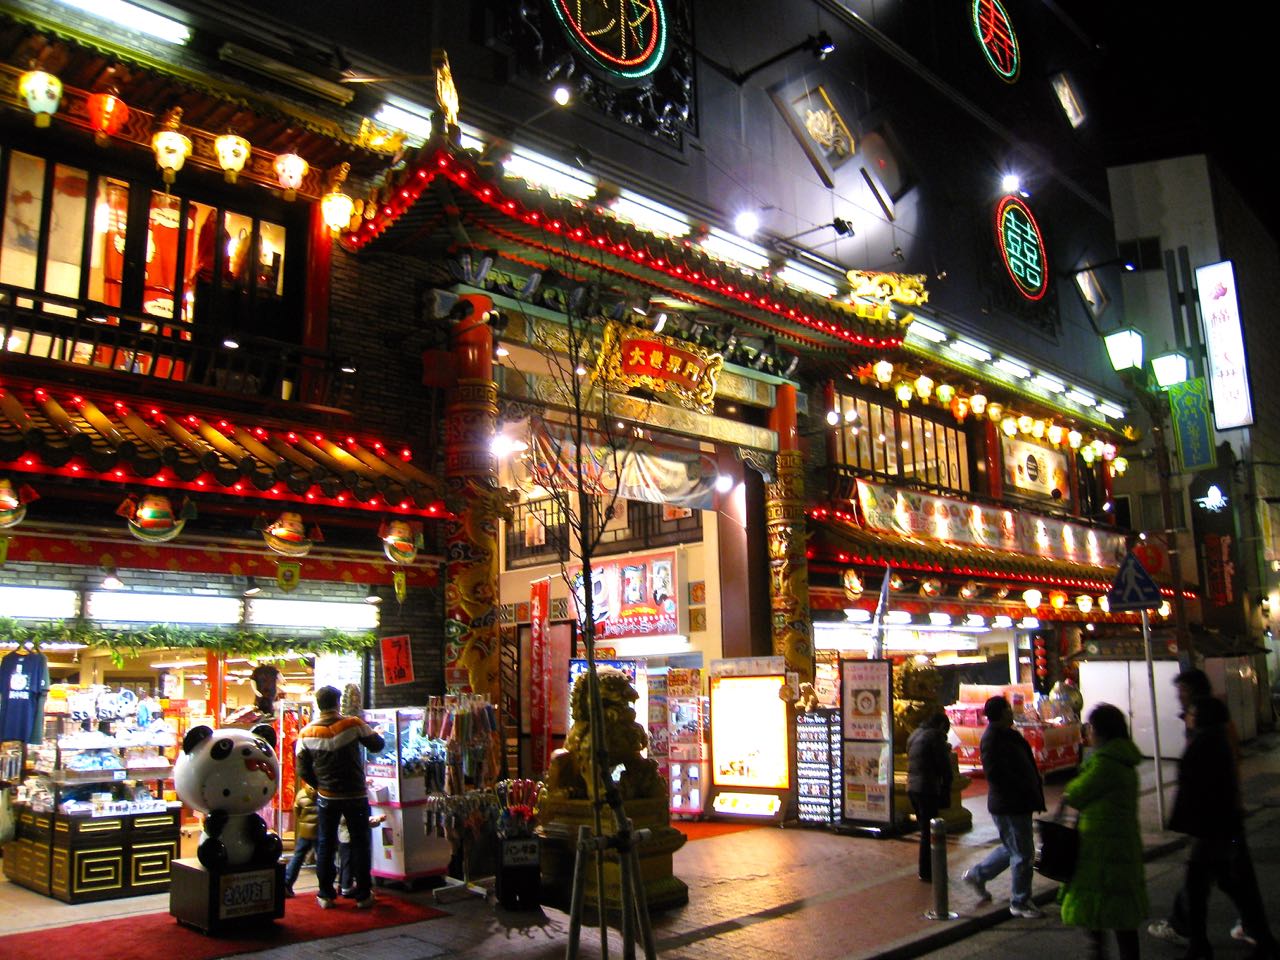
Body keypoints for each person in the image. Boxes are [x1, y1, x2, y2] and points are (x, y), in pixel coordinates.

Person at [1149, 669, 1255, 950]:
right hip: (1218, 818)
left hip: (1216, 819)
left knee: (1209, 877)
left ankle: (1194, 937)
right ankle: (1246, 929)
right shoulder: (1203, 723)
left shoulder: (1211, 724)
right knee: (1222, 876)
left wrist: (1234, 800)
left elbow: (1226, 763)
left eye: (1182, 689)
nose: (1178, 695)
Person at [1166, 696, 1277, 960]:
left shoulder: (1205, 743)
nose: (1187, 716)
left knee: (1200, 886)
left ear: (1202, 716)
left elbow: (1198, 788)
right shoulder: (1216, 740)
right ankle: (1256, 939)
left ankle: (1202, 945)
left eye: (1192, 712)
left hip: (1211, 829)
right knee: (1224, 883)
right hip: (1220, 827)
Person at [1058, 703, 1147, 960]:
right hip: (1122, 843)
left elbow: (1076, 793)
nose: (1088, 733)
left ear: (1100, 731)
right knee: (1121, 913)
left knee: (1096, 908)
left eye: (1090, 727)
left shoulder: (1104, 764)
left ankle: (1098, 954)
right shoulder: (1124, 760)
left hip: (1100, 848)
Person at [296, 685, 385, 910]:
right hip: (355, 794)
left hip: (327, 797)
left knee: (326, 843)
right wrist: (377, 733)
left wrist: (320, 785)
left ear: (318, 705)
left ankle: (326, 894)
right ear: (338, 703)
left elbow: (302, 770)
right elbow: (377, 745)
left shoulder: (306, 733)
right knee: (360, 842)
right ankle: (363, 894)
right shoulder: (352, 724)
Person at [961, 695, 1046, 918]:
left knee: (1013, 847)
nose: (1011, 711)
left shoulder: (1009, 735)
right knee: (1023, 853)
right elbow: (996, 774)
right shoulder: (992, 740)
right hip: (1010, 804)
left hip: (1018, 801)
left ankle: (978, 875)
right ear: (999, 713)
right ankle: (1020, 901)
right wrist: (1022, 787)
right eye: (1008, 708)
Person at [906, 711, 953, 882]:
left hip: (912, 787)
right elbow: (943, 766)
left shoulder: (914, 734)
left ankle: (927, 870)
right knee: (930, 832)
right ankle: (928, 871)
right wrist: (947, 785)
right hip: (927, 788)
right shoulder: (935, 736)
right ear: (941, 726)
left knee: (925, 829)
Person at [283, 782, 319, 897]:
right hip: (320, 830)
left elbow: (297, 811)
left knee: (298, 857)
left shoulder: (301, 793)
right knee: (323, 859)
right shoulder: (323, 794)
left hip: (305, 831)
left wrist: (304, 822)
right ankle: (325, 887)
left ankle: (287, 883)